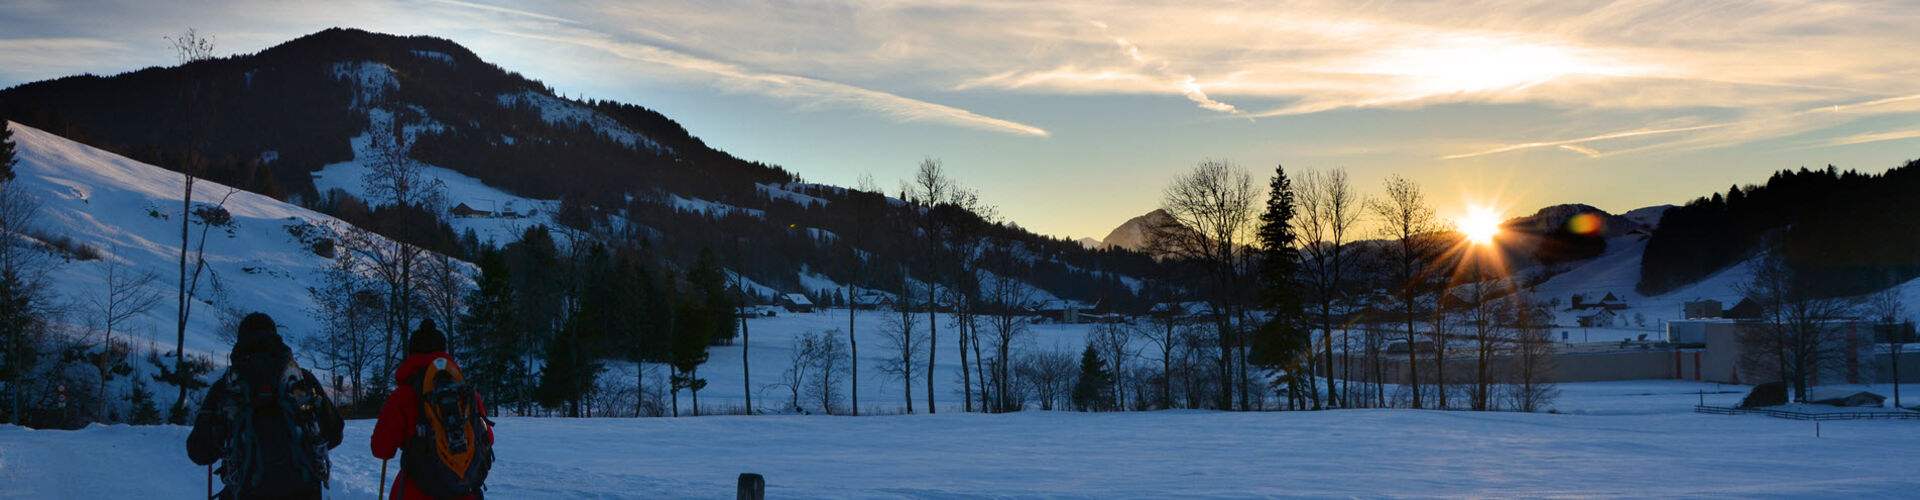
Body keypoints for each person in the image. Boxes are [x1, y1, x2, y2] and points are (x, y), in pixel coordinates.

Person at [188, 312, 345, 499]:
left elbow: (200, 452)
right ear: (275, 337)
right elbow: (334, 434)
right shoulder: (302, 380)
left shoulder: (226, 387)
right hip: (304, 490)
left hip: (246, 491)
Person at [373, 319, 495, 499]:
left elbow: (381, 449)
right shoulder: (467, 393)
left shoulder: (402, 397)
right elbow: (488, 438)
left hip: (417, 491)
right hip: (464, 490)